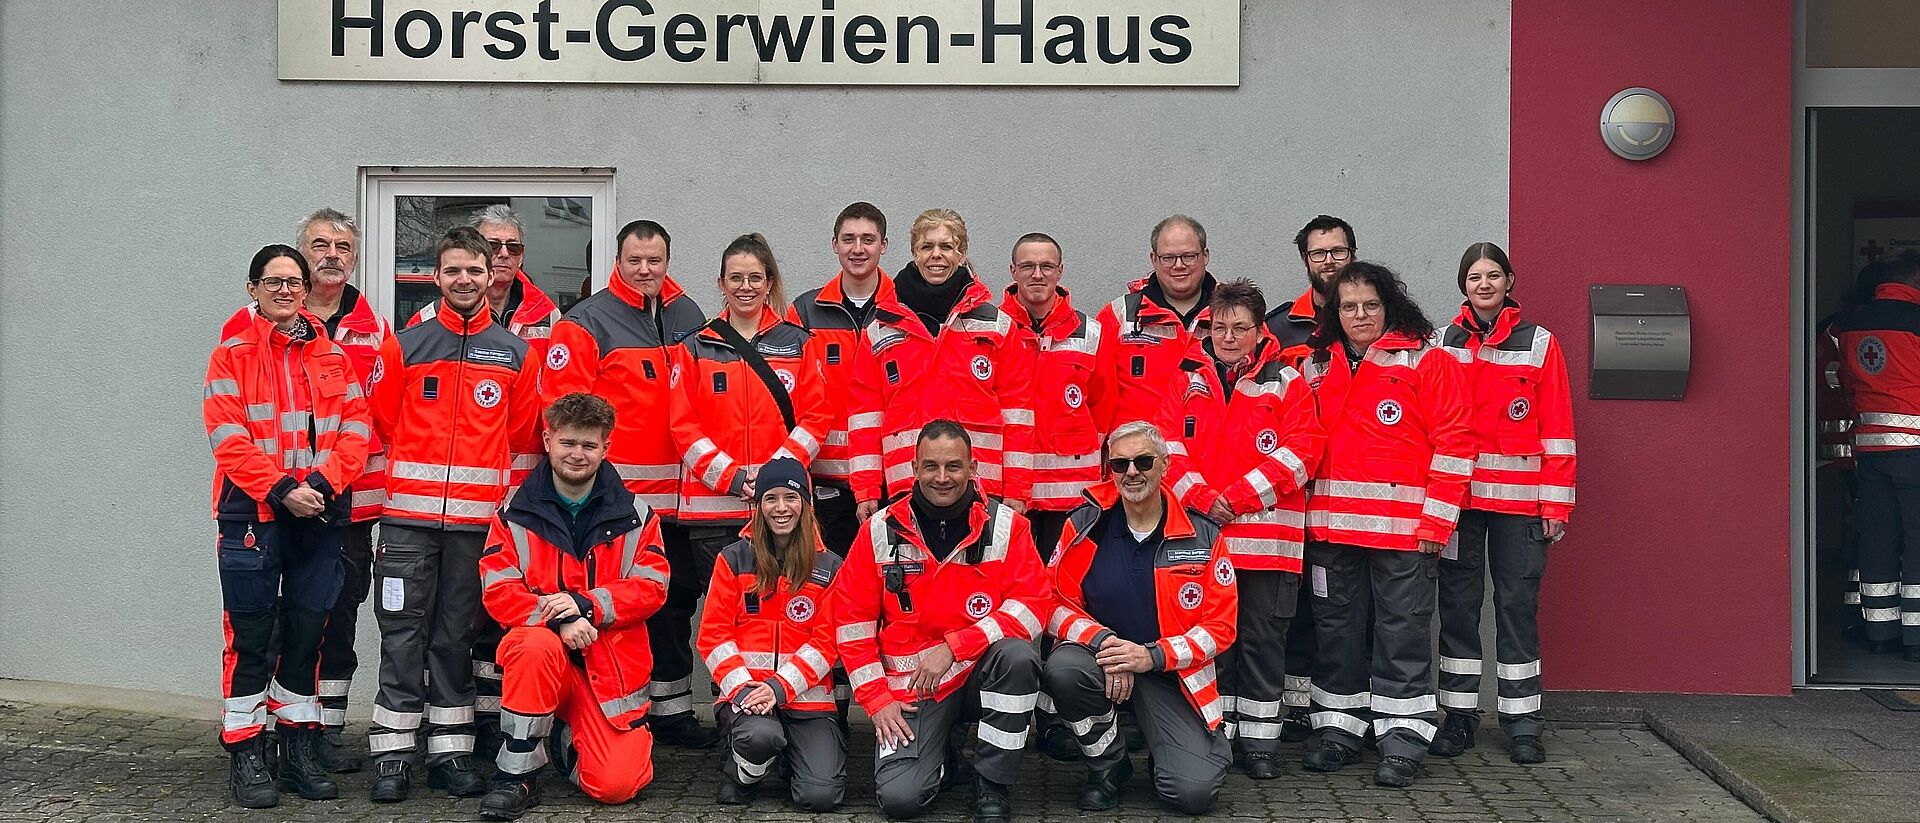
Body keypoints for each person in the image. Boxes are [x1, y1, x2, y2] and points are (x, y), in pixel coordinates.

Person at [365, 226, 541, 801]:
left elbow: (522, 445)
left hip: (475, 528)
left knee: (455, 637)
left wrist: (502, 519)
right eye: (453, 271)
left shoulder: (518, 355)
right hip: (407, 524)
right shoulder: (405, 346)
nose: (464, 280)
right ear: (436, 278)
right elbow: (382, 424)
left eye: (474, 270)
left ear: (492, 275)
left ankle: (451, 751)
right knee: (401, 635)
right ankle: (392, 755)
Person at [219, 209, 395, 772]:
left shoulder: (357, 339)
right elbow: (229, 432)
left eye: (343, 246)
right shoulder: (235, 345)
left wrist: (319, 485)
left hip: (332, 506)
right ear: (258, 288)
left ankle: (308, 739)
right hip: (258, 508)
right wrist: (281, 490)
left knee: (317, 624)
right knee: (252, 630)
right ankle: (248, 745)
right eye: (318, 246)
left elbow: (368, 423)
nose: (331, 255)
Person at [1297, 261, 1473, 787]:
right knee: (1337, 635)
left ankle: (1402, 740)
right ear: (1335, 313)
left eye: (1370, 305)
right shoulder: (1316, 365)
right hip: (1332, 534)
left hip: (1404, 534)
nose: (1359, 315)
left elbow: (1457, 444)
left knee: (1402, 636)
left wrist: (1436, 524)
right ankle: (1339, 731)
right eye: (1348, 307)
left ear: (1389, 305)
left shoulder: (1427, 360)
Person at [541, 220, 713, 746]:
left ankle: (673, 712)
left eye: (654, 261)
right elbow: (564, 416)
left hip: (686, 497)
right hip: (622, 501)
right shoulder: (585, 321)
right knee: (630, 608)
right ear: (617, 261)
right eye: (634, 260)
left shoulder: (688, 315)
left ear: (667, 260)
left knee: (677, 603)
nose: (645, 270)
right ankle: (622, 715)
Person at [831, 421, 1049, 823]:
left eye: (954, 466)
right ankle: (945, 754)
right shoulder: (878, 530)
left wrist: (956, 647)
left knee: (1018, 657)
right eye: (931, 466)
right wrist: (878, 702)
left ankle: (991, 782)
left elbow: (1034, 606)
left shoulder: (1007, 528)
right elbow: (851, 625)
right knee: (901, 800)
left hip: (979, 671)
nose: (942, 478)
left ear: (973, 468)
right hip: (914, 687)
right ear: (913, 468)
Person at [663, 233, 832, 733]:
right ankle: (740, 725)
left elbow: (817, 416)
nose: (744, 286)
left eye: (754, 277)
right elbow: (682, 426)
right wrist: (737, 478)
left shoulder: (799, 343)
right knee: (732, 621)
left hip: (784, 510)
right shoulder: (694, 347)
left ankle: (791, 718)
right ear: (720, 283)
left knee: (787, 610)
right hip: (713, 510)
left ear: (769, 282)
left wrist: (773, 478)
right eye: (735, 278)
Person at [475, 393, 672, 820]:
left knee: (618, 786)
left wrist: (587, 605)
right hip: (543, 660)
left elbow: (652, 586)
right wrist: (561, 619)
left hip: (607, 673)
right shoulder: (514, 514)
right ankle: (515, 776)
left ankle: (563, 736)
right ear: (548, 440)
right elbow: (499, 590)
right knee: (532, 646)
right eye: (568, 443)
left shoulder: (637, 515)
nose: (577, 454)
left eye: (589, 445)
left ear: (606, 448)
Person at [1161, 279, 1323, 778]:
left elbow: (1303, 453)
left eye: (1241, 328)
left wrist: (1234, 497)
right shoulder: (1182, 377)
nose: (1229, 336)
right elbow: (1165, 447)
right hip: (1205, 543)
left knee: (1262, 645)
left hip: (1269, 546)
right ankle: (1217, 740)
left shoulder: (1287, 381)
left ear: (1259, 332)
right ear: (1206, 326)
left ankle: (1260, 747)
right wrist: (1204, 498)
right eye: (1220, 326)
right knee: (1213, 645)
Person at [1429, 243, 1577, 765]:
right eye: (1474, 276)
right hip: (1459, 507)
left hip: (1520, 510)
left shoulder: (1539, 344)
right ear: (1463, 285)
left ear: (1510, 281)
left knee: (1517, 610)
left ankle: (1522, 723)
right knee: (1457, 612)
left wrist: (1555, 508)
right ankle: (1459, 718)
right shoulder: (1439, 343)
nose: (1484, 284)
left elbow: (1557, 431)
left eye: (1494, 275)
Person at [1042, 421, 1237, 813]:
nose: (1132, 472)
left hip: (1171, 674)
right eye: (1120, 464)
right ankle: (1109, 766)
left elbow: (1221, 628)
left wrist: (1151, 655)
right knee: (1063, 669)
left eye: (1143, 461)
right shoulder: (1083, 527)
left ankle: (1172, 754)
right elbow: (1050, 602)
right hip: (1102, 661)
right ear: (1109, 470)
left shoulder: (1202, 534)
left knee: (1192, 794)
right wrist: (1106, 645)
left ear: (1165, 465)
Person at [847, 209, 1035, 520]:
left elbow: (1018, 413)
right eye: (927, 246)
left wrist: (1017, 490)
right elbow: (865, 416)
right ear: (914, 253)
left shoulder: (997, 326)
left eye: (947, 247)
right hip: (906, 486)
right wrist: (866, 489)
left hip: (981, 487)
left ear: (962, 254)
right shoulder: (881, 328)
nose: (937, 255)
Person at [697, 457, 847, 809]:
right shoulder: (733, 559)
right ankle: (740, 774)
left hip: (808, 700)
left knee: (821, 796)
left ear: (806, 504)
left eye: (791, 498)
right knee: (760, 736)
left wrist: (779, 688)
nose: (781, 508)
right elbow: (713, 637)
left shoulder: (830, 567)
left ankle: (789, 760)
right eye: (771, 498)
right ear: (758, 504)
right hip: (747, 697)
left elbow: (828, 643)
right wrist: (749, 690)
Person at [1265, 214, 1358, 740]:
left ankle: (1349, 709)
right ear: (1305, 260)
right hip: (1293, 490)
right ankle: (1299, 705)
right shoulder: (1281, 329)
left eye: (1337, 251)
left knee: (1348, 608)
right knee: (1296, 603)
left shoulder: (1373, 321)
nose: (1328, 260)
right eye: (1319, 253)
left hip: (1354, 492)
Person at [788, 202, 896, 556]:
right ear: (834, 244)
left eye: (868, 239)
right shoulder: (804, 310)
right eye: (849, 239)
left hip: (890, 476)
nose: (858, 248)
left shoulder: (904, 308)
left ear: (884, 245)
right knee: (828, 582)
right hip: (825, 478)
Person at [1001, 232, 1113, 558]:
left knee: (1064, 583)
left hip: (1071, 495)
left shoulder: (1091, 333)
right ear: (1013, 271)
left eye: (1046, 266)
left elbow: (1103, 408)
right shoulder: (992, 328)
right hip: (1008, 490)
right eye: (1028, 266)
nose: (1038, 274)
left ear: (1060, 271)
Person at [1834, 252, 1920, 662]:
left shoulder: (1850, 324)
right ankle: (1917, 640)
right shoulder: (1916, 321)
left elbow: (1848, 386)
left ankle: (1880, 633)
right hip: (1917, 448)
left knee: (1878, 540)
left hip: (1870, 448)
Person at [1096, 215, 1220, 440]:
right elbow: (1096, 398)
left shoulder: (1233, 314)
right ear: (1153, 259)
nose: (1179, 265)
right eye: (1168, 258)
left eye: (1188, 256)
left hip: (1210, 461)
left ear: (1205, 256)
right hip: (1139, 464)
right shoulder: (1118, 316)